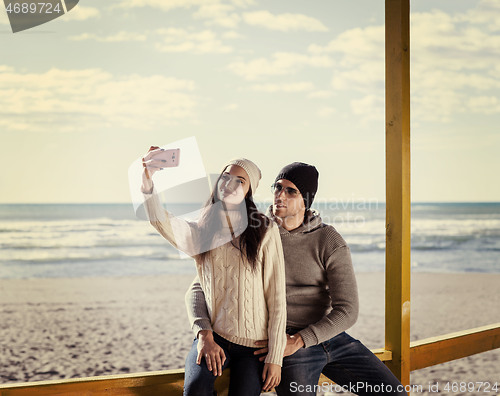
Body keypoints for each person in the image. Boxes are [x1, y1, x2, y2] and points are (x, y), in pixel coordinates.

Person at [186, 162, 407, 396]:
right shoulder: (253, 232)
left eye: (291, 191)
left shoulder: (328, 240)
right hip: (283, 341)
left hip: (327, 335)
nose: (280, 195)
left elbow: (348, 309)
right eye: (277, 187)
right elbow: (203, 283)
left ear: (306, 200)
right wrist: (204, 331)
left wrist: (303, 339)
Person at [141, 147, 286, 396]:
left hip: (254, 348)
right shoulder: (203, 230)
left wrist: (275, 358)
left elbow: (277, 298)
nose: (229, 184)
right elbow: (160, 220)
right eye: (225, 177)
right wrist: (147, 182)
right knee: (196, 389)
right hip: (214, 340)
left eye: (240, 181)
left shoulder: (264, 230)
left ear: (249, 191)